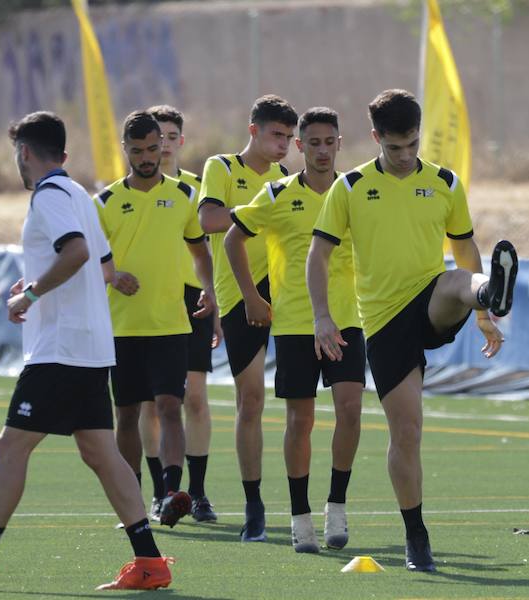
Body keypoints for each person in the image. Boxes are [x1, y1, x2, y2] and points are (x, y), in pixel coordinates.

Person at [0, 111, 173, 591]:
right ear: (64, 156)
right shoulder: (78, 195)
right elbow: (102, 264)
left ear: (24, 153)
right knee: (100, 451)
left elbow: (74, 254)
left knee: (10, 446)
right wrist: (36, 282)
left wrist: (29, 295)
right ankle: (150, 561)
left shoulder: (49, 196)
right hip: (90, 346)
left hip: (60, 349)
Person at [307, 90, 518, 572]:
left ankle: (491, 294)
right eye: (395, 148)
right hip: (383, 323)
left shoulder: (444, 182)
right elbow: (317, 256)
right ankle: (416, 535)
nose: (405, 156)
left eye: (413, 146)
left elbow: (464, 247)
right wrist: (322, 316)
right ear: (376, 138)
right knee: (408, 431)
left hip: (432, 300)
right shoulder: (351, 187)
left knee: (457, 280)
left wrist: (484, 318)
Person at [224, 107, 362, 554]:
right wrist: (251, 296)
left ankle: (336, 505)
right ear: (300, 147)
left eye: (330, 142)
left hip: (347, 320)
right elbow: (232, 238)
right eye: (313, 143)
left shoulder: (356, 193)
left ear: (340, 144)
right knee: (300, 420)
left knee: (350, 410)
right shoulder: (277, 193)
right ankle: (300, 515)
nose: (322, 151)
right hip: (296, 324)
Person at [94, 111, 215, 528]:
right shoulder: (105, 203)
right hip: (123, 326)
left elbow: (200, 250)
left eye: (153, 149)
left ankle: (170, 493)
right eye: (138, 150)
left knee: (170, 405)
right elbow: (85, 260)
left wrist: (210, 289)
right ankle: (134, 500)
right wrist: (113, 275)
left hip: (170, 323)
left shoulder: (184, 195)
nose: (147, 157)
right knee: (126, 414)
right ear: (124, 149)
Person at [197, 94, 297, 542]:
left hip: (285, 291)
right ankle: (253, 503)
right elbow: (210, 220)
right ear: (253, 130)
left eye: (289, 138)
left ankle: (305, 507)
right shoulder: (222, 167)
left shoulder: (284, 177)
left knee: (301, 403)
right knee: (251, 399)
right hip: (240, 294)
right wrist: (256, 213)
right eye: (277, 135)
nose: (284, 146)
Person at [142, 104, 220, 522]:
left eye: (172, 138)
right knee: (151, 405)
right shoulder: (130, 191)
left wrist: (216, 302)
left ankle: (199, 493)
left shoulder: (195, 191)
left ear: (181, 142)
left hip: (192, 303)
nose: (165, 146)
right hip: (149, 307)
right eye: (158, 139)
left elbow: (207, 253)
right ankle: (161, 493)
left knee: (196, 396)